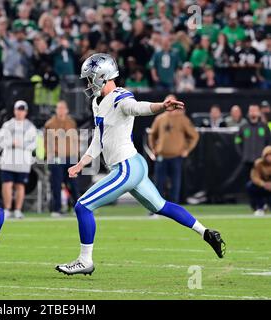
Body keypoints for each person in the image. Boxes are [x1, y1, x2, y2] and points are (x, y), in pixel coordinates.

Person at [56, 54, 225, 276]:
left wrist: (162, 106)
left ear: (103, 76)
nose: (88, 84)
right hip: (133, 165)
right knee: (161, 206)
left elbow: (139, 107)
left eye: (91, 78)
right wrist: (81, 163)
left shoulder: (120, 97)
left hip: (126, 167)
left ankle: (85, 260)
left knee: (82, 206)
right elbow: (99, 139)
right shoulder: (97, 102)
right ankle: (206, 233)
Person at [148, 94, 199, 203]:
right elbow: (152, 134)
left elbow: (194, 136)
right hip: (161, 156)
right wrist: (153, 148)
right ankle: (157, 206)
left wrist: (187, 150)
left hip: (176, 156)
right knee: (158, 183)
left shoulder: (182, 119)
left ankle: (174, 208)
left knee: (175, 183)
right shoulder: (160, 118)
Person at [0, 100, 37, 219]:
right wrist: (12, 143)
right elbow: (1, 141)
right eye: (18, 110)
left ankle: (18, 210)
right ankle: (7, 209)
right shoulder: (8, 125)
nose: (20, 112)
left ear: (26, 112)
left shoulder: (30, 127)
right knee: (7, 184)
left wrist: (22, 144)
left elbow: (34, 144)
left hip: (23, 161)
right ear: (14, 111)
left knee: (20, 185)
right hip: (8, 161)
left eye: (22, 110)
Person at [44, 100, 80, 217]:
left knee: (73, 184)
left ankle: (77, 207)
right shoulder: (50, 123)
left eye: (63, 108)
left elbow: (75, 140)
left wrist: (77, 156)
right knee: (56, 183)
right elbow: (46, 142)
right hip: (56, 157)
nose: (61, 111)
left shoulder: (71, 122)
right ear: (56, 110)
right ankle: (56, 209)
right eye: (59, 108)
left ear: (67, 110)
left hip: (70, 157)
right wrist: (49, 155)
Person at [235, 104, 271, 174]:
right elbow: (237, 142)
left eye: (255, 110)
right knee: (246, 183)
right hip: (247, 161)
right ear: (248, 113)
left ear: (259, 113)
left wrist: (266, 156)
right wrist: (243, 154)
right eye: (251, 110)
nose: (253, 112)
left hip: (261, 161)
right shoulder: (243, 127)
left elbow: (269, 142)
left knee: (260, 183)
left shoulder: (264, 127)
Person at [247, 146, 271, 216]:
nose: (270, 157)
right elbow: (254, 177)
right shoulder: (258, 163)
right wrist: (263, 184)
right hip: (262, 187)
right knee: (250, 186)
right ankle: (259, 207)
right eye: (268, 155)